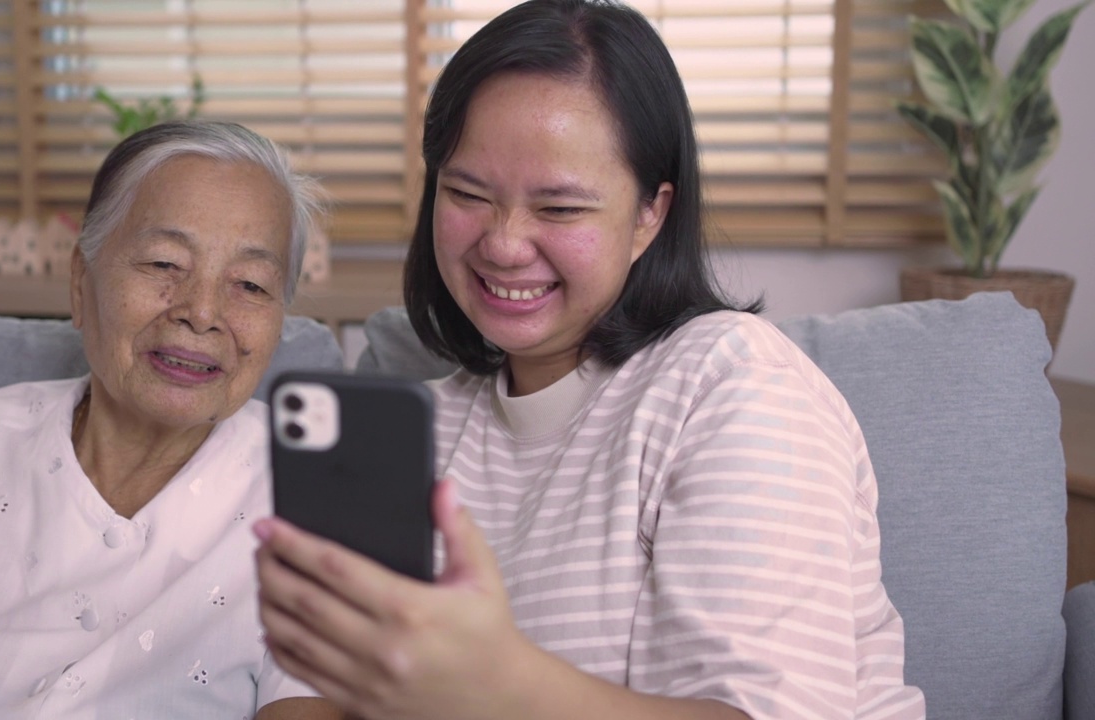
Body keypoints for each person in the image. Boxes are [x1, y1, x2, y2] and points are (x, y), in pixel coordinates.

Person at [252, 2, 927, 719]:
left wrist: (498, 682)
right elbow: (311, 688)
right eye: (467, 193)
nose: (504, 243)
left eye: (561, 209)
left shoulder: (732, 384)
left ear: (649, 214)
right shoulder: (424, 430)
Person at [0, 122, 345, 719]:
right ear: (79, 282)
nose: (202, 313)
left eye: (250, 283)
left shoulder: (319, 505)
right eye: (164, 262)